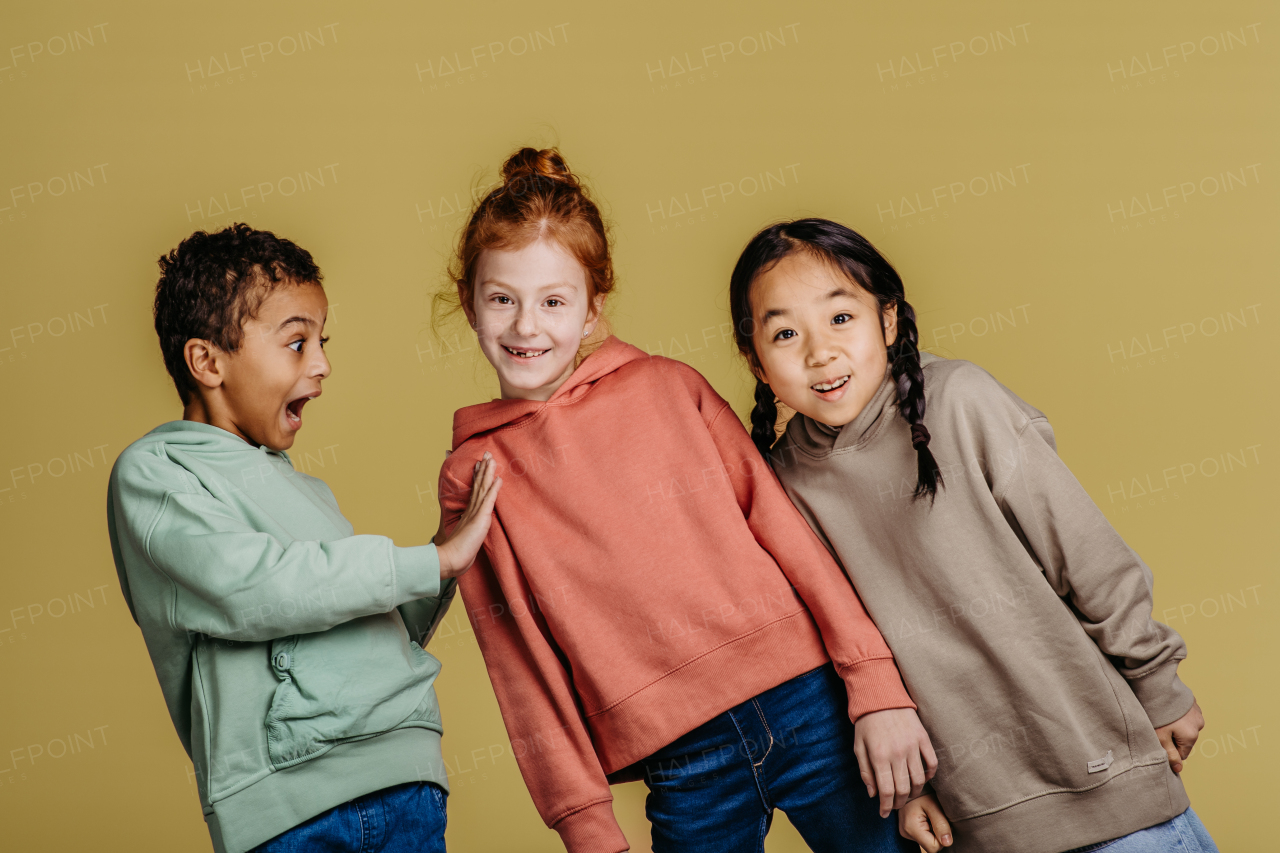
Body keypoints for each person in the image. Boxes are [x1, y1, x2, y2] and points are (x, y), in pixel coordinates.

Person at [435, 148, 933, 853]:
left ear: (591, 307)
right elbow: (516, 658)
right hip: (681, 760)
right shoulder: (474, 471)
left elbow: (786, 532)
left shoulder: (669, 386)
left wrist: (875, 683)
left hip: (811, 701)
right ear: (470, 304)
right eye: (501, 299)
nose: (526, 326)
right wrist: (583, 819)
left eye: (553, 300)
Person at [728, 217, 1218, 853]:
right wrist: (908, 790)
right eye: (786, 333)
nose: (820, 353)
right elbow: (848, 655)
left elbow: (1087, 557)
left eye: (840, 318)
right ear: (756, 362)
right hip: (972, 816)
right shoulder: (784, 480)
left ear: (889, 320)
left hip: (1104, 779)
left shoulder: (960, 400)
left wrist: (1159, 684)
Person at [106, 223, 501, 853]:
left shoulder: (306, 489)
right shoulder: (158, 474)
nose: (322, 363)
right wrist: (430, 560)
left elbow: (375, 625)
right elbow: (255, 589)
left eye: (321, 341)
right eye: (296, 343)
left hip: (407, 780)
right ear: (207, 362)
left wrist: (449, 550)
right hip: (294, 809)